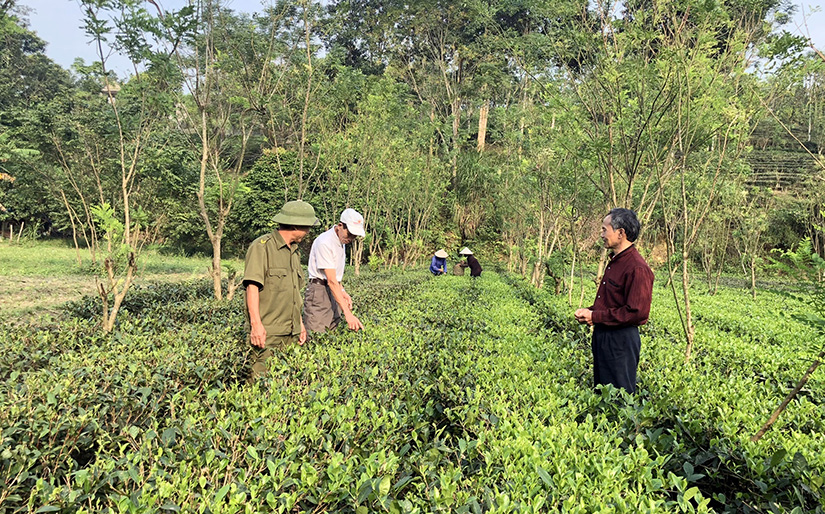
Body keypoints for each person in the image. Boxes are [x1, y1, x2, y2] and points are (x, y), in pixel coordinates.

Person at [574, 208, 654, 394]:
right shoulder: (616, 262)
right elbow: (613, 302)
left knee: (619, 395)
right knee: (602, 392)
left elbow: (637, 312)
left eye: (604, 229)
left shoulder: (637, 268)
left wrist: (596, 316)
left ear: (620, 233)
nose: (601, 234)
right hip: (604, 335)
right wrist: (590, 311)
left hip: (620, 341)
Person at [243, 200, 320, 380]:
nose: (308, 232)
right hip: (268, 334)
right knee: (259, 386)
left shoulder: (294, 251)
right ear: (295, 224)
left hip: (290, 333)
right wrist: (256, 325)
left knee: (284, 386)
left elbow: (293, 293)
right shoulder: (261, 247)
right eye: (307, 227)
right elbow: (252, 287)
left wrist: (299, 324)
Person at [304, 208, 366, 333]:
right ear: (340, 226)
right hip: (319, 292)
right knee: (317, 332)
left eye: (355, 236)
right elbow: (331, 280)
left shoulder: (341, 241)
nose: (351, 238)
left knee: (333, 329)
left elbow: (335, 277)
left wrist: (343, 292)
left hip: (332, 289)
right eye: (350, 234)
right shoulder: (325, 242)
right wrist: (348, 314)